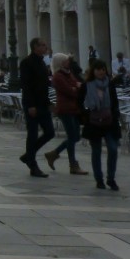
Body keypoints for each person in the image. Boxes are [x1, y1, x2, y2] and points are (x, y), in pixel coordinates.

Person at [80, 59, 120, 191]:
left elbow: (114, 102)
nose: (101, 72)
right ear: (93, 71)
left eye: (103, 69)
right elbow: (79, 102)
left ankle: (111, 178)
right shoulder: (87, 85)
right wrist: (86, 115)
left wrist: (114, 115)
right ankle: (99, 179)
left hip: (109, 121)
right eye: (98, 69)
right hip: (93, 122)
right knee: (96, 151)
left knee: (113, 149)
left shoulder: (110, 84)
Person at [44, 53, 87, 175]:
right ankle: (73, 164)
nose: (68, 62)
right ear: (60, 63)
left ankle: (54, 154)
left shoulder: (68, 73)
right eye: (66, 60)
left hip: (74, 109)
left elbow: (77, 86)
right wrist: (76, 88)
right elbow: (71, 90)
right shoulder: (58, 76)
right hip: (65, 109)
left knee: (75, 136)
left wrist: (76, 87)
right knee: (73, 136)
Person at [19, 37, 54, 177]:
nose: (45, 47)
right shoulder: (26, 63)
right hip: (32, 104)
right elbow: (26, 85)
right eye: (42, 45)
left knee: (50, 132)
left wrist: (49, 102)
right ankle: (32, 164)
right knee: (32, 134)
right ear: (35, 47)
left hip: (43, 103)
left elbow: (44, 85)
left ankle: (28, 155)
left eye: (45, 45)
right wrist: (31, 105)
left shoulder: (42, 62)